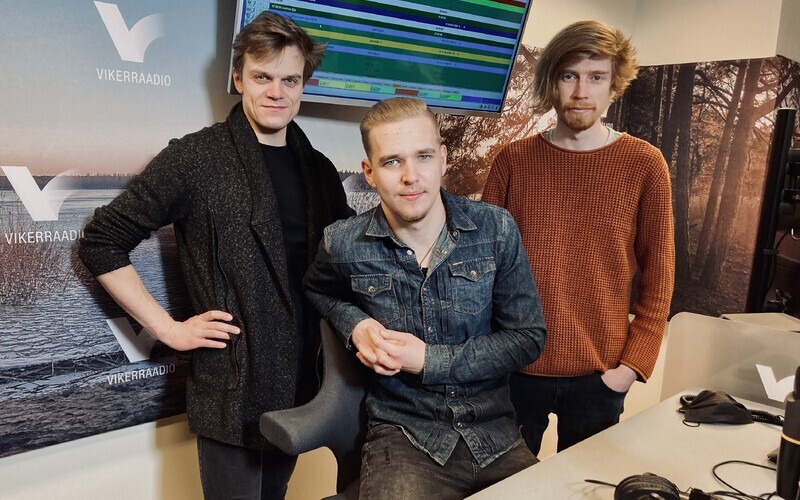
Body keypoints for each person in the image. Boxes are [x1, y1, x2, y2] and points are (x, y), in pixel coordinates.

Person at [78, 11, 351, 500]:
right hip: (231, 387)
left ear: (303, 85)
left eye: (290, 80)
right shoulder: (196, 157)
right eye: (262, 77)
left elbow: (349, 259)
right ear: (238, 78)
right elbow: (101, 241)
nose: (277, 92)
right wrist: (167, 330)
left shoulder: (320, 170)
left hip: (300, 385)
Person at [304, 97, 547, 499]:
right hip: (405, 437)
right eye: (392, 162)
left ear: (443, 159)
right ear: (369, 172)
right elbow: (317, 290)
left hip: (496, 435)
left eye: (423, 156)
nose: (411, 177)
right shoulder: (343, 243)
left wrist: (428, 360)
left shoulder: (495, 229)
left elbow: (528, 338)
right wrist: (355, 325)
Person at [482, 20, 675, 455]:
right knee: (503, 486)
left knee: (583, 485)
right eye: (569, 75)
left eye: (596, 77)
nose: (581, 91)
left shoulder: (645, 164)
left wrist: (631, 367)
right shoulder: (513, 161)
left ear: (614, 86)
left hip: (600, 376)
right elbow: (480, 268)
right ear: (552, 82)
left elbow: (659, 278)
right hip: (514, 370)